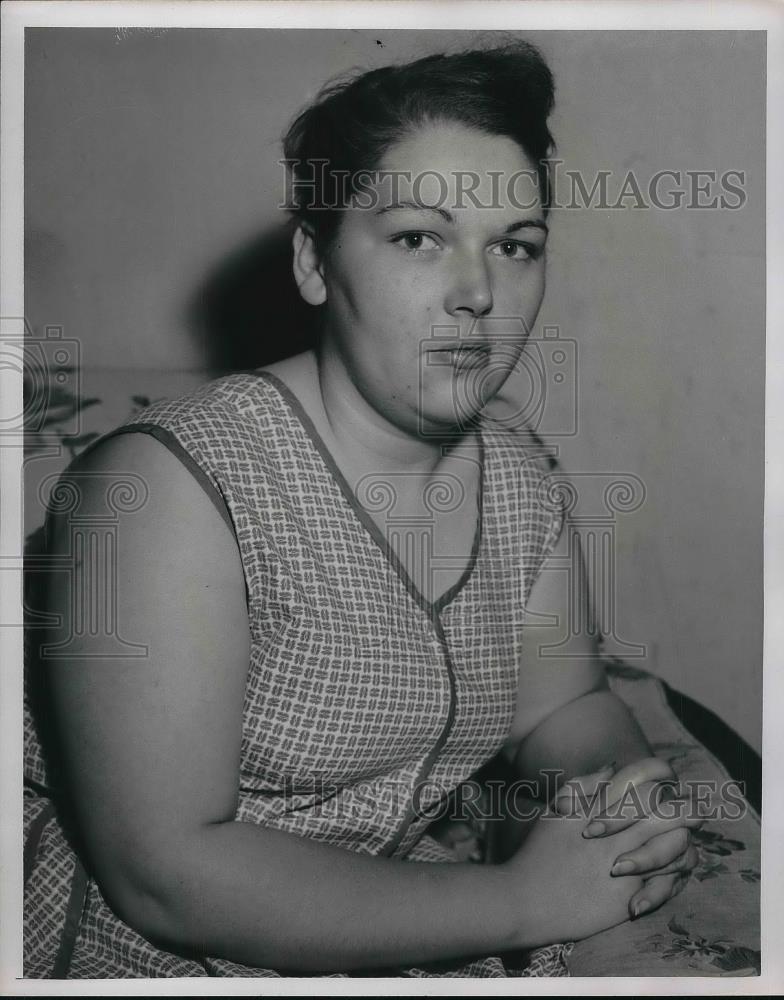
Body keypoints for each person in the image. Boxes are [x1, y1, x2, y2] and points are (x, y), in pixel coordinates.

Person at [23, 40, 701, 979]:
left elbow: (566, 705)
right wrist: (522, 899)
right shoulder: (163, 489)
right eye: (419, 237)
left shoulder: (520, 477)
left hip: (398, 909)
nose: (477, 294)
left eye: (515, 246)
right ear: (314, 260)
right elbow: (164, 875)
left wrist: (620, 805)